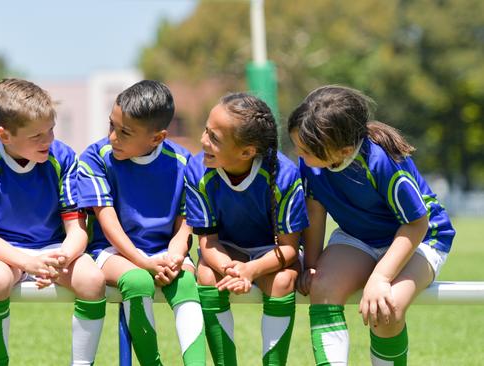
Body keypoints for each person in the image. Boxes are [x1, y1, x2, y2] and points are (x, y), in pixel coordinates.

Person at [288, 85, 455, 365]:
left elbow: (416, 223)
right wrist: (312, 264)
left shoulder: (381, 162)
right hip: (360, 237)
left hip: (422, 239)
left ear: (343, 150)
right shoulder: (311, 161)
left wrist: (380, 278)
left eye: (304, 149)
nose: (298, 154)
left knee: (387, 308)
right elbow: (315, 212)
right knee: (322, 288)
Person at [0, 78, 106, 366]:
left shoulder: (62, 157)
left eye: (51, 129)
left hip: (53, 249)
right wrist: (27, 263)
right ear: (4, 135)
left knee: (93, 280)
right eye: (37, 135)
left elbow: (77, 230)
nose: (48, 140)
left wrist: (63, 256)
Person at [77, 80, 206, 366]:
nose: (112, 137)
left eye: (124, 132)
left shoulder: (184, 162)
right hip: (112, 252)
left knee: (186, 283)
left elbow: (187, 219)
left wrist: (176, 251)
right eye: (111, 125)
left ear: (157, 138)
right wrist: (142, 262)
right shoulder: (95, 158)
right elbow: (105, 217)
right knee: (137, 281)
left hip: (164, 251)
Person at [185, 93, 308, 366]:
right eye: (206, 131)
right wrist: (232, 269)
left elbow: (288, 248)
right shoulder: (197, 170)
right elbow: (207, 242)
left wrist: (251, 271)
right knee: (206, 273)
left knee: (282, 282)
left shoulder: (284, 175)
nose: (203, 141)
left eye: (214, 138)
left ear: (247, 151)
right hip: (227, 252)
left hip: (272, 255)